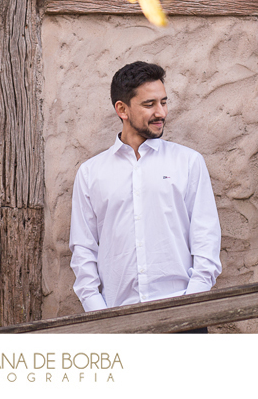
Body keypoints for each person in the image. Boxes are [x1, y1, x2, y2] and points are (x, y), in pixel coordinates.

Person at [69, 61, 221, 329]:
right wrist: (99, 314)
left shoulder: (188, 162)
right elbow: (83, 249)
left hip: (184, 319)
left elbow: (206, 240)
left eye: (164, 102)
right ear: (122, 109)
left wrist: (189, 307)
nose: (161, 112)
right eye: (149, 104)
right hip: (118, 322)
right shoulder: (91, 173)